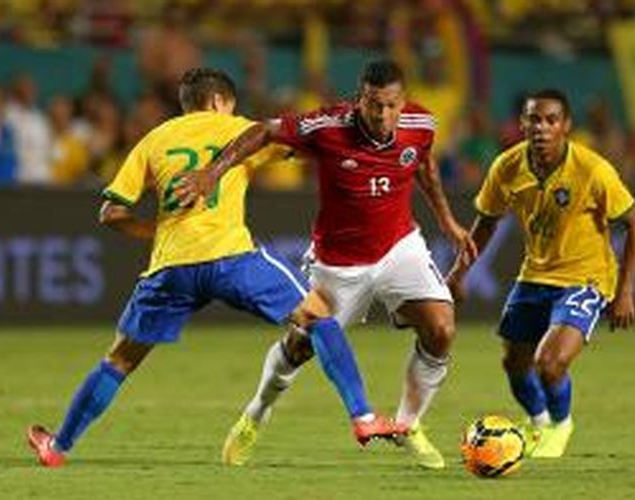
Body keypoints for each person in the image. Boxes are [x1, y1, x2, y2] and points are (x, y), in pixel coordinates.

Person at [26, 68, 403, 468]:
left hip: (172, 266)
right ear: (219, 102)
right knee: (318, 318)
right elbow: (306, 142)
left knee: (118, 361)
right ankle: (362, 417)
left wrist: (158, 232)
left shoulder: (155, 139)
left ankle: (59, 447)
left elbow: (111, 212)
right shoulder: (240, 130)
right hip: (231, 259)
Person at [175, 60, 475, 469]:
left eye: (390, 106)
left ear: (402, 103)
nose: (382, 115)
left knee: (441, 328)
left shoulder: (421, 122)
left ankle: (408, 426)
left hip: (398, 247)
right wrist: (214, 172)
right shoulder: (328, 126)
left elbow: (422, 162)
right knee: (299, 347)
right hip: (339, 262)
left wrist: (446, 221)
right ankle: (255, 414)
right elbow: (263, 130)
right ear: (360, 99)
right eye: (373, 105)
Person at [447, 89, 635, 458]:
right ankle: (539, 423)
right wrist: (458, 273)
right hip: (535, 275)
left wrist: (625, 290)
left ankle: (561, 423)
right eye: (534, 119)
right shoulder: (506, 167)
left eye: (551, 120)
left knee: (550, 363)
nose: (542, 128)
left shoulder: (593, 170)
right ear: (522, 124)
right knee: (514, 364)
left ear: (566, 127)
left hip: (586, 279)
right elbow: (486, 222)